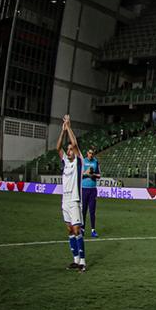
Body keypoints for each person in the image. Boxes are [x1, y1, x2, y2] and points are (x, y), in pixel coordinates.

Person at [56, 116, 86, 272]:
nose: (68, 151)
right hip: (65, 200)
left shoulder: (78, 162)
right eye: (67, 150)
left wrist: (68, 126)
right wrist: (62, 130)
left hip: (75, 200)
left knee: (77, 230)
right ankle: (75, 260)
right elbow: (58, 147)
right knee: (69, 230)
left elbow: (74, 144)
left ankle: (83, 261)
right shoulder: (66, 162)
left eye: (70, 150)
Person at [80, 147, 101, 238]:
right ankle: (82, 229)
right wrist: (86, 174)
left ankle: (93, 230)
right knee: (83, 210)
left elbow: (99, 175)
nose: (91, 154)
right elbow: (79, 174)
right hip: (84, 189)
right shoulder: (83, 161)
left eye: (92, 153)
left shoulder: (95, 162)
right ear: (87, 153)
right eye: (89, 153)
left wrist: (93, 175)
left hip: (93, 189)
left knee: (92, 211)